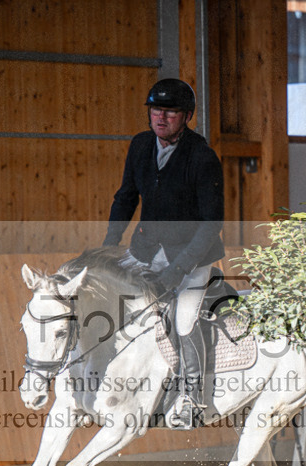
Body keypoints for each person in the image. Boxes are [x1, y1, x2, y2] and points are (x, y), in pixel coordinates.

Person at [103, 78, 224, 429]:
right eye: (156, 110)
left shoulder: (202, 158)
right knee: (110, 302)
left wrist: (180, 268)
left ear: (186, 116)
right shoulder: (140, 145)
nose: (161, 117)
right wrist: (109, 244)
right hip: (146, 248)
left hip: (192, 257)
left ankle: (192, 398)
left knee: (184, 321)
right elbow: (126, 197)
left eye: (170, 112)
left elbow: (211, 224)